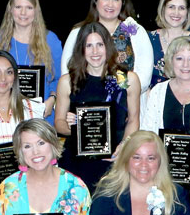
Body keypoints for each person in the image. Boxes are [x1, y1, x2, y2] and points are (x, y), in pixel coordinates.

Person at [54, 22, 141, 190]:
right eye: (89, 46)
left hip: (113, 161)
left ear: (108, 46)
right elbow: (59, 123)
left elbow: (133, 120)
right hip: (77, 162)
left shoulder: (126, 79)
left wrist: (124, 147)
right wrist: (75, 127)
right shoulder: (68, 81)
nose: (95, 52)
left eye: (99, 45)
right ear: (81, 49)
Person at [61, 0, 152, 99]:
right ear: (95, 1)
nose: (110, 4)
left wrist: (123, 97)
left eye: (116, 0)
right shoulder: (78, 32)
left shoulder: (135, 31)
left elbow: (144, 74)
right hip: (86, 101)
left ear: (122, 3)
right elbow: (66, 70)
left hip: (127, 102)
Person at [0, 0, 62, 118]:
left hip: (42, 116)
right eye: (18, 7)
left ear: (36, 11)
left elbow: (59, 78)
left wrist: (52, 100)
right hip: (6, 115)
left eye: (29, 7)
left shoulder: (51, 40)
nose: (23, 13)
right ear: (11, 9)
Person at [148, 0, 190, 89]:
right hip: (150, 100)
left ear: (187, 12)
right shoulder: (148, 39)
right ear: (163, 9)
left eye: (181, 8)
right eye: (171, 7)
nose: (176, 13)